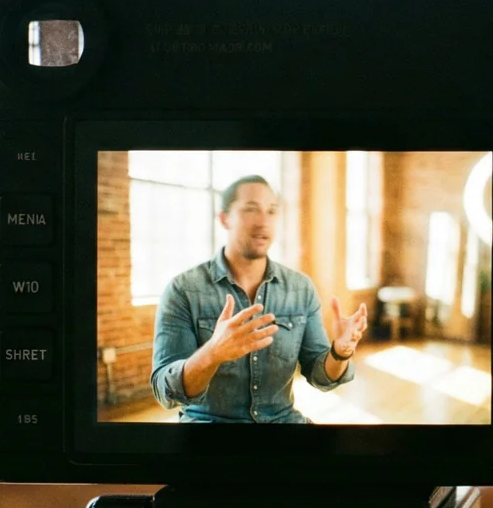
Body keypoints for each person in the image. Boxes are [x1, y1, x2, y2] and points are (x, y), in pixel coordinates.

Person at [150, 174, 368, 423]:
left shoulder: (300, 288)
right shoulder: (183, 290)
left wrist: (340, 351)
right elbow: (165, 392)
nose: (263, 221)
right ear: (224, 219)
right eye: (251, 210)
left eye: (272, 211)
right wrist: (212, 354)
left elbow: (321, 377)